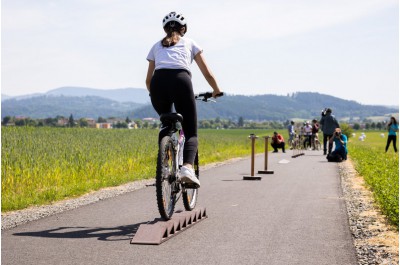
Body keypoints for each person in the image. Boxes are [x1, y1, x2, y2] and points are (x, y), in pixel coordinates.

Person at [146, 12, 223, 188]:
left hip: (157, 84)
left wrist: (156, 95)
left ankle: (164, 168)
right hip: (181, 81)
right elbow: (207, 73)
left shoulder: (156, 46)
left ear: (165, 29)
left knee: (166, 124)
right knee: (191, 133)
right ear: (184, 29)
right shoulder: (190, 43)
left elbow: (147, 81)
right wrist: (216, 90)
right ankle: (187, 168)